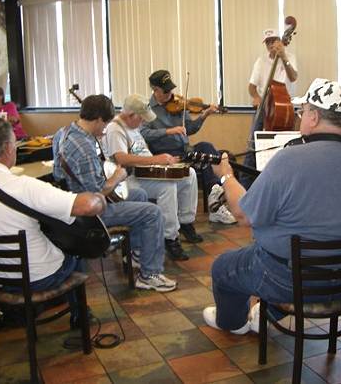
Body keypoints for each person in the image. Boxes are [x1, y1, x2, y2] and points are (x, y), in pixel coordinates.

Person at [202, 79, 341, 334]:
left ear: (313, 117)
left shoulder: (288, 159)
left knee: (223, 268)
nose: (300, 117)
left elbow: (242, 215)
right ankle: (266, 314)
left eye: (302, 112)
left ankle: (233, 323)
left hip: (295, 281)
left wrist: (226, 175)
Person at [0, 119, 106, 327]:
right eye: (14, 143)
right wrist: (100, 196)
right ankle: (80, 317)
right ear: (7, 148)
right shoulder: (25, 186)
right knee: (76, 252)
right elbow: (87, 206)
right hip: (36, 279)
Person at [52, 94, 177, 292]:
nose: (105, 129)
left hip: (70, 201)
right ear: (99, 119)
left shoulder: (64, 132)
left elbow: (58, 173)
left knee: (140, 196)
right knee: (152, 212)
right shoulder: (83, 147)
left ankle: (136, 254)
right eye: (105, 124)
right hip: (90, 213)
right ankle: (150, 274)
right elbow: (97, 194)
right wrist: (117, 177)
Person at [104, 94, 201, 261]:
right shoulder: (115, 129)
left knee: (188, 174)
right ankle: (170, 237)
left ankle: (185, 221)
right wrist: (156, 159)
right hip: (128, 179)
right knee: (167, 187)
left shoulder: (133, 127)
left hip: (147, 172)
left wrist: (167, 162)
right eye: (141, 119)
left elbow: (142, 151)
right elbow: (121, 158)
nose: (143, 123)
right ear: (130, 115)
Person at [140, 69, 236, 225]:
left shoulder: (179, 103)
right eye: (165, 91)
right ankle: (214, 203)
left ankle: (214, 198)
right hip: (165, 153)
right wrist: (168, 131)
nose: (170, 94)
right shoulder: (147, 109)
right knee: (203, 161)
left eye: (171, 89)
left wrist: (204, 115)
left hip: (185, 150)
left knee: (206, 148)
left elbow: (190, 128)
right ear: (155, 90)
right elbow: (144, 133)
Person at [241, 28, 298, 189]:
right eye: (267, 42)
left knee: (284, 148)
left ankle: (282, 186)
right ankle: (246, 189)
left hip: (283, 109)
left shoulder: (290, 57)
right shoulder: (260, 61)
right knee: (253, 146)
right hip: (264, 108)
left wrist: (284, 57)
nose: (271, 44)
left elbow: (293, 77)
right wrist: (257, 97)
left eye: (273, 40)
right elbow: (251, 87)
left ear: (280, 40)